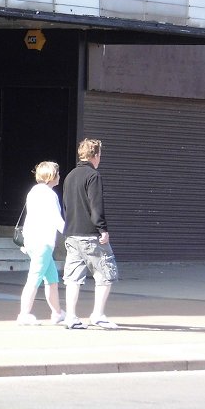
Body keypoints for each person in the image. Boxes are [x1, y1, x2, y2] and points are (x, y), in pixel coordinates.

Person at [62, 138, 119, 329]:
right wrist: (102, 229)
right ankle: (98, 314)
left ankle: (70, 316)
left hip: (71, 233)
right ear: (95, 155)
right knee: (105, 274)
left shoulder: (70, 176)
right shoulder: (93, 176)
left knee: (72, 278)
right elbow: (96, 206)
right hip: (90, 233)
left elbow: (66, 206)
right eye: (100, 154)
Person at [16, 161, 65, 326]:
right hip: (43, 242)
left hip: (31, 241)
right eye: (57, 173)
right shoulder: (50, 195)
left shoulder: (33, 192)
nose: (59, 176)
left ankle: (57, 312)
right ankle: (24, 314)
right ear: (52, 176)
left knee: (52, 279)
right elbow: (57, 219)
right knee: (34, 279)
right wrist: (71, 233)